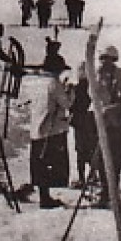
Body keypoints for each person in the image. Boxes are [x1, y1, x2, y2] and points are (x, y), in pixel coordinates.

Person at [81, 39, 121, 208]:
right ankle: (104, 190)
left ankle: (113, 189)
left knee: (116, 157)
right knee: (100, 155)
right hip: (98, 121)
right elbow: (92, 95)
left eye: (110, 59)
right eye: (103, 58)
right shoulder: (94, 74)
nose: (106, 62)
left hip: (117, 122)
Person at [28, 63, 77, 209]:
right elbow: (67, 104)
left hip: (37, 127)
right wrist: (70, 91)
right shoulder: (54, 83)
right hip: (51, 129)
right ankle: (46, 199)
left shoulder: (37, 83)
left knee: (40, 164)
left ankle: (44, 196)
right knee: (51, 164)